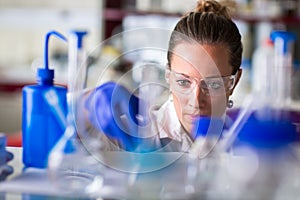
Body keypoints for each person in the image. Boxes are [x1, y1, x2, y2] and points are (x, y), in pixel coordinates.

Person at [85, 0, 243, 152]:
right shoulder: (137, 133)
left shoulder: (244, 143)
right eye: (183, 82)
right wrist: (84, 106)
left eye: (213, 85)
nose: (196, 102)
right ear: (168, 76)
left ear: (234, 83)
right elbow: (67, 129)